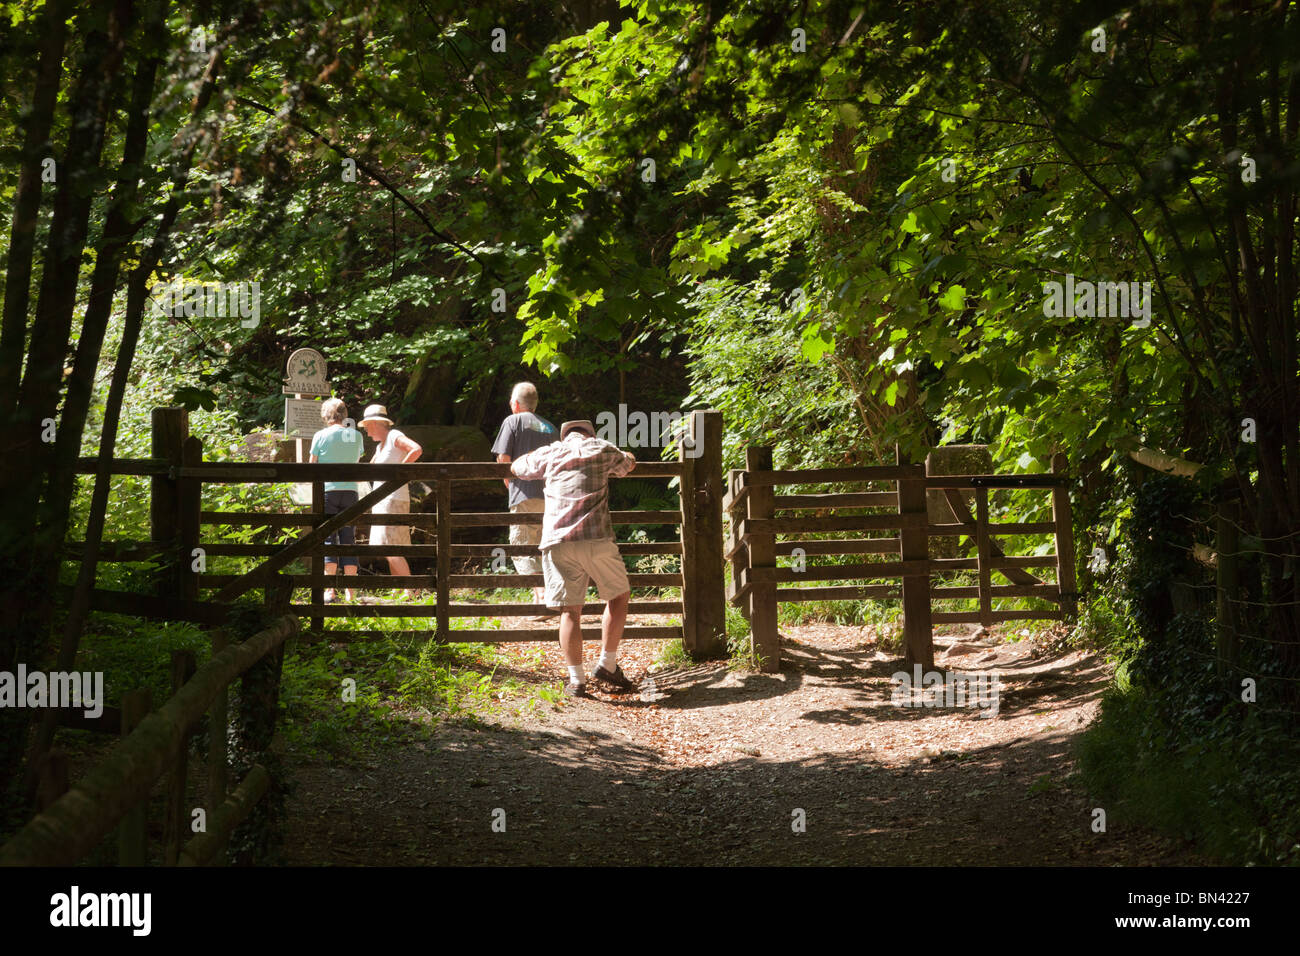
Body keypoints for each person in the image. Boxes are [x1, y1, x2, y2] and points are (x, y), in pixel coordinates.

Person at [510, 420, 637, 698]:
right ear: (590, 435)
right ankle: (607, 663)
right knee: (618, 596)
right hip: (596, 538)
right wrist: (628, 456)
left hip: (558, 541)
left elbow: (516, 467)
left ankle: (576, 680)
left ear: (565, 436)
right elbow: (627, 465)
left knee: (570, 611)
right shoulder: (602, 448)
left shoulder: (551, 452)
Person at [490, 382, 558, 613]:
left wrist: (510, 485)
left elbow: (504, 459)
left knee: (522, 545)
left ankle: (541, 599)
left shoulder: (512, 421)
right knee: (544, 546)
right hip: (551, 496)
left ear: (516, 404)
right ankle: (550, 596)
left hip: (523, 493)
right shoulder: (550, 427)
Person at [359, 404, 423, 598]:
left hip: (393, 499)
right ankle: (400, 588)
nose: (366, 431)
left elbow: (416, 449)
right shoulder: (380, 446)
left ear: (376, 424)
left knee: (389, 545)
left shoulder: (395, 435)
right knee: (387, 546)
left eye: (367, 427)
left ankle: (412, 588)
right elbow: (371, 468)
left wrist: (399, 473)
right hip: (382, 499)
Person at [309, 398, 363, 602]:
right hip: (350, 491)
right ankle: (351, 592)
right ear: (344, 414)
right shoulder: (355, 436)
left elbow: (312, 465)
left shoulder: (320, 436)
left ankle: (329, 590)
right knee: (349, 538)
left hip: (328, 491)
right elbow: (357, 461)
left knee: (328, 537)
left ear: (326, 415)